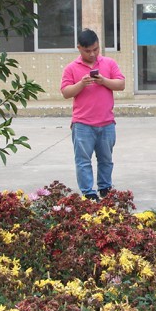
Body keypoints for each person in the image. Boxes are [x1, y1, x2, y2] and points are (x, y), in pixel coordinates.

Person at [60, 29, 126, 200]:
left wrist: (104, 81)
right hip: (82, 123)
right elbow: (66, 92)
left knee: (106, 159)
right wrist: (81, 84)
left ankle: (105, 187)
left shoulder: (109, 63)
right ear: (79, 48)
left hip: (106, 122)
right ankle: (88, 192)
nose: (92, 54)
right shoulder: (71, 68)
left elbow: (121, 84)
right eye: (87, 51)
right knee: (83, 161)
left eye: (95, 49)